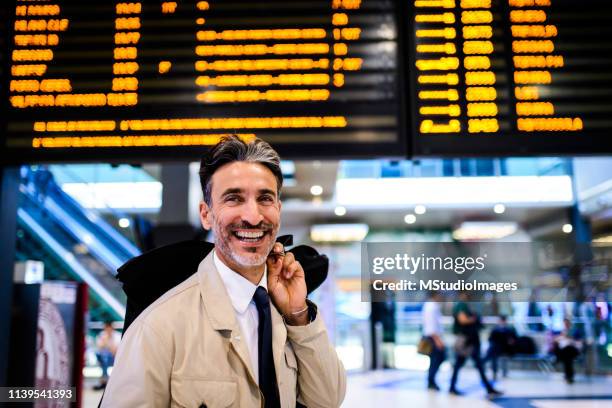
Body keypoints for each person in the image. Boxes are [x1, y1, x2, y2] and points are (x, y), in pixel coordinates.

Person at [101, 136, 346, 407]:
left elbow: (327, 400)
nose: (253, 217)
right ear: (206, 214)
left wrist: (298, 317)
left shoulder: (288, 314)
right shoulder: (158, 327)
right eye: (234, 198)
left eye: (265, 198)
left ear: (278, 209)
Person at [449, 292, 502, 398]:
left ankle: (488, 388)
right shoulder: (461, 305)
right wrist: (474, 319)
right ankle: (488, 388)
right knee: (469, 364)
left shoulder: (463, 304)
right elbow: (462, 320)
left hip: (470, 340)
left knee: (470, 364)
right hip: (467, 341)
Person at [422, 291, 445, 390]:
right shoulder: (431, 307)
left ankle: (431, 381)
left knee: (434, 360)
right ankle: (431, 381)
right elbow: (431, 326)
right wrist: (437, 340)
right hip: (433, 337)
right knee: (437, 359)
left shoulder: (430, 306)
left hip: (433, 337)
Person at [483, 315, 517, 380]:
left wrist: (511, 341)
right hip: (496, 348)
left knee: (494, 353)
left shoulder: (510, 330)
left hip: (506, 349)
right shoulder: (495, 330)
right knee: (493, 354)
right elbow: (490, 339)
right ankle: (494, 372)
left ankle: (497, 372)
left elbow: (514, 340)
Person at [554, 318, 582, 384]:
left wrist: (570, 340)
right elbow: (557, 341)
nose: (566, 325)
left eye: (567, 323)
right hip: (566, 351)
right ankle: (569, 375)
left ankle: (568, 375)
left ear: (570, 323)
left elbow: (579, 343)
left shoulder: (575, 331)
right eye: (564, 323)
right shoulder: (563, 332)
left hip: (573, 350)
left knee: (567, 355)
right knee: (567, 358)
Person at [94, 321, 121, 390]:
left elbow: (115, 351)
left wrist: (106, 344)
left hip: (114, 357)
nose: (108, 330)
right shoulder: (101, 335)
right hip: (104, 358)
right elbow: (99, 348)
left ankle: (104, 382)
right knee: (104, 357)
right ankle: (106, 381)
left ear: (112, 328)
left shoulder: (118, 336)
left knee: (105, 358)